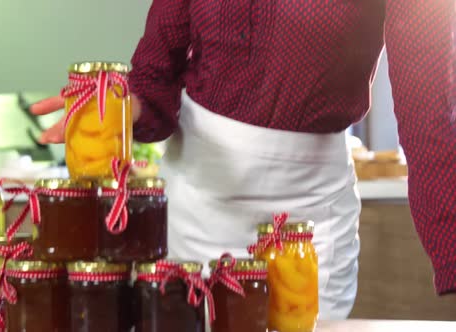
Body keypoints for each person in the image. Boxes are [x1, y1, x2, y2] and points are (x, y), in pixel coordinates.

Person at [31, 0, 455, 319]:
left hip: (307, 223)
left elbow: (429, 115)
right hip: (196, 210)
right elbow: (154, 77)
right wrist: (120, 107)